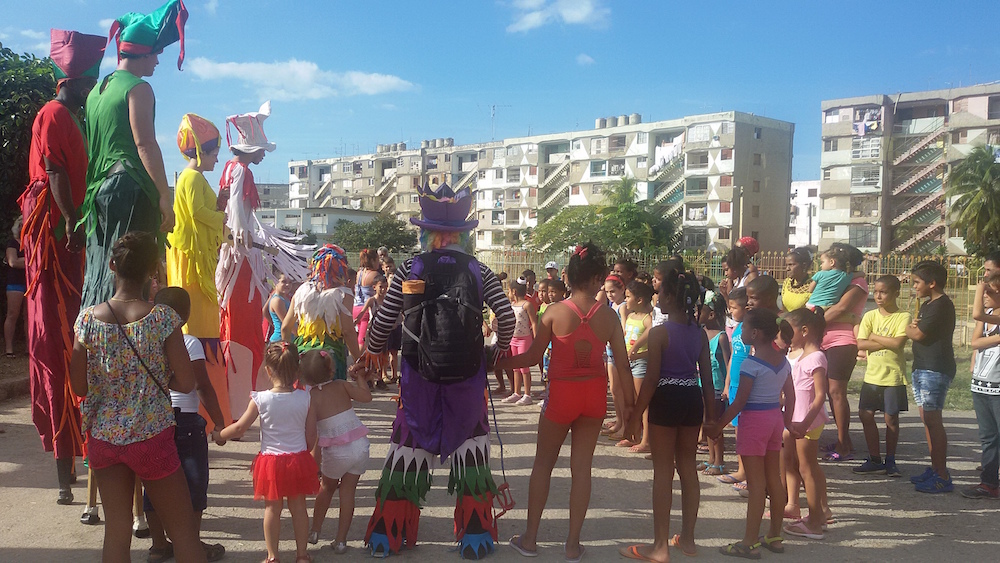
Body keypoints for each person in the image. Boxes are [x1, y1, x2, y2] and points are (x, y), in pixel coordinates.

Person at [358, 182, 515, 558]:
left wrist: (372, 352)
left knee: (407, 449)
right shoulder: (479, 270)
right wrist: (497, 351)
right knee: (472, 451)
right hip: (467, 379)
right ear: (464, 234)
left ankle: (386, 536)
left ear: (425, 232)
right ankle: (475, 537)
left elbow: (383, 322)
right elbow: (506, 318)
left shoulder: (409, 268)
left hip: (418, 377)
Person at [69, 231, 207, 562]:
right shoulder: (163, 318)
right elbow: (187, 382)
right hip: (151, 435)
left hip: (105, 437)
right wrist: (153, 376)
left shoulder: (86, 321)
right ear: (153, 270)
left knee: (116, 532)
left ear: (112, 266)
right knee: (183, 532)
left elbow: (79, 388)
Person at [502, 242, 634, 562]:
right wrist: (631, 407)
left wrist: (500, 363)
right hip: (593, 396)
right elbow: (623, 364)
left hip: (562, 394)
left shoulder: (554, 312)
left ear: (569, 278)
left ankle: (530, 539)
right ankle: (573, 544)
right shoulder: (609, 317)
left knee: (543, 465)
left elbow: (532, 357)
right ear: (598, 278)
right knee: (582, 469)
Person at [20, 28, 105, 505]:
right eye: (88, 82)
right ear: (69, 80)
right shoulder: (54, 113)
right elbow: (54, 170)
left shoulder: (77, 117)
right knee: (58, 342)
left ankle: (85, 452)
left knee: (78, 339)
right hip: (54, 242)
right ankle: (65, 464)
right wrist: (71, 220)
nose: (92, 89)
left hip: (72, 240)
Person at [81, 0, 188, 309]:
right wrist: (164, 196)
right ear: (143, 53)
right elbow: (145, 145)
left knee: (103, 266)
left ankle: (94, 328)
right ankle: (127, 333)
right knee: (132, 271)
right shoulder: (139, 88)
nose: (157, 61)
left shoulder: (97, 91)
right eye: (156, 53)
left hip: (99, 191)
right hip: (130, 186)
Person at [217, 101, 312, 421]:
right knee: (242, 328)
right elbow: (236, 215)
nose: (263, 156)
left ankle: (238, 403)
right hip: (240, 259)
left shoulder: (230, 169)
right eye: (261, 150)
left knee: (239, 326)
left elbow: (227, 209)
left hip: (238, 256)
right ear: (251, 148)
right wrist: (247, 240)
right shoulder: (241, 171)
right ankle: (241, 403)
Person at [619, 269, 715, 561]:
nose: (656, 294)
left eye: (660, 291)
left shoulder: (659, 333)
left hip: (666, 397)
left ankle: (660, 545)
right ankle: (688, 538)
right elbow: (707, 380)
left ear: (670, 297)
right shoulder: (699, 334)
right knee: (688, 467)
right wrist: (712, 418)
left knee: (663, 471)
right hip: (691, 398)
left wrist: (635, 416)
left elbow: (651, 379)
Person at [144, 287, 227, 563]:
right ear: (186, 314)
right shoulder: (188, 342)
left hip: (154, 420)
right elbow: (202, 385)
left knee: (154, 483)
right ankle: (191, 545)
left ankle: (158, 545)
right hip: (185, 420)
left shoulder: (146, 342)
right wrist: (219, 422)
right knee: (193, 482)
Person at [708, 308, 795, 559]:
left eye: (744, 328)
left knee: (756, 484)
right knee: (774, 479)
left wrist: (718, 426)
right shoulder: (783, 362)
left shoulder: (750, 364)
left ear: (755, 333)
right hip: (774, 420)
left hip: (754, 423)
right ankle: (774, 535)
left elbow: (739, 403)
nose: (741, 331)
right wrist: (788, 423)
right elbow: (790, 396)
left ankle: (748, 542)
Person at [221, 341, 319, 563]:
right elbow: (311, 434)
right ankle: (302, 555)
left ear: (268, 370)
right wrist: (305, 452)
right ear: (297, 370)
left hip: (271, 462)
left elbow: (239, 428)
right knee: (299, 508)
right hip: (298, 458)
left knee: (272, 509)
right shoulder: (306, 398)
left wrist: (219, 435)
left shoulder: (261, 399)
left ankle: (272, 556)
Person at [166, 113, 231, 423]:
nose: (217, 158)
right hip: (191, 262)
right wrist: (222, 217)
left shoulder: (194, 178)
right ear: (202, 151)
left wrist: (218, 204)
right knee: (195, 325)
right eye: (215, 152)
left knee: (202, 322)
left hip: (195, 260)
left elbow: (203, 212)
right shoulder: (191, 177)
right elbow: (196, 213)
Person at [304, 350, 373, 552]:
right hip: (359, 445)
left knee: (326, 488)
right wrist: (360, 378)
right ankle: (341, 541)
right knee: (348, 492)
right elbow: (366, 397)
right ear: (331, 370)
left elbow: (311, 432)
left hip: (336, 450)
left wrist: (308, 456)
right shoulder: (343, 385)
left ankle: (315, 531)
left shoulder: (311, 397)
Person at [906, 260, 957, 493]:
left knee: (933, 420)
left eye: (917, 282)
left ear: (932, 283)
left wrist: (906, 328)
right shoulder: (929, 304)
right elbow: (918, 329)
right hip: (922, 366)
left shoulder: (941, 305)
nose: (914, 286)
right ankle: (935, 468)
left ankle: (942, 475)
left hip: (935, 368)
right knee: (927, 419)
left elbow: (917, 333)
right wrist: (914, 328)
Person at [781, 307, 831, 541]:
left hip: (806, 421)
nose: (785, 336)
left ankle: (814, 523)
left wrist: (805, 423)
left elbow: (820, 396)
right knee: (807, 466)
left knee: (806, 469)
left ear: (804, 330)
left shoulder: (816, 357)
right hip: (799, 419)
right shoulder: (802, 356)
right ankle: (818, 515)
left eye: (788, 331)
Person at [854, 275, 910, 478]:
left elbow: (898, 344)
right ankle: (874, 458)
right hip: (872, 376)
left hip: (893, 376)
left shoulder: (903, 316)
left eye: (883, 292)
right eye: (876, 291)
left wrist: (874, 337)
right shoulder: (870, 316)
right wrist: (886, 340)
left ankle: (891, 460)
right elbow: (860, 343)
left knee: (891, 419)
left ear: (896, 293)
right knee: (865, 415)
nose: (878, 296)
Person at [281, 245, 361, 381]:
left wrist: (289, 357)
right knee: (331, 393)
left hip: (303, 356)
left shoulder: (301, 291)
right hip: (329, 358)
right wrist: (358, 360)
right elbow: (348, 331)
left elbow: (285, 328)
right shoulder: (344, 294)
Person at [821, 242, 869, 462]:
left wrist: (813, 323)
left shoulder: (858, 283)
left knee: (837, 392)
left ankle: (843, 446)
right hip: (824, 339)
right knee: (830, 392)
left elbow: (841, 308)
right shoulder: (839, 279)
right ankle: (844, 440)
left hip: (842, 341)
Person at [966, 269, 1000, 498]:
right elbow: (974, 342)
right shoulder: (988, 314)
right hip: (981, 384)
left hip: (998, 386)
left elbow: (976, 314)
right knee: (988, 437)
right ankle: (989, 483)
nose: (985, 295)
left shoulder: (986, 315)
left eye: (990, 291)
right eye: (984, 291)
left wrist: (979, 288)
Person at [717, 287, 749, 490]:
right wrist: (727, 384)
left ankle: (750, 473)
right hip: (735, 385)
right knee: (738, 430)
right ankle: (741, 469)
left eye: (734, 307)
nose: (731, 311)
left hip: (747, 386)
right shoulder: (737, 328)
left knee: (747, 431)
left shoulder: (752, 328)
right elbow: (732, 358)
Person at [622, 280, 654, 454]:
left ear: (639, 300)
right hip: (628, 362)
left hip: (641, 363)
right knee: (632, 401)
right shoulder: (630, 316)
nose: (626, 300)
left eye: (628, 297)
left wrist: (636, 349)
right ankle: (633, 435)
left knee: (643, 403)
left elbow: (651, 331)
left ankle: (646, 440)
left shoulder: (647, 318)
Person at [701, 291, 731, 475]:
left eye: (701, 311)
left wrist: (727, 386)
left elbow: (728, 364)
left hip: (717, 387)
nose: (697, 314)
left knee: (715, 423)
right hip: (702, 384)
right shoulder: (701, 333)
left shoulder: (721, 337)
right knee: (706, 422)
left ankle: (719, 461)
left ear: (711, 314)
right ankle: (711, 458)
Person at [502, 277, 537, 406]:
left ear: (514, 291)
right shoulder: (512, 305)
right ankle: (517, 392)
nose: (508, 293)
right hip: (513, 339)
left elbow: (534, 323)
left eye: (509, 291)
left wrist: (536, 339)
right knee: (515, 367)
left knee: (524, 367)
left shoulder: (527, 305)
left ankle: (527, 394)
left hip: (524, 339)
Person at [602, 274, 628, 440]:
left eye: (613, 291)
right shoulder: (612, 305)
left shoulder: (623, 307)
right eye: (607, 292)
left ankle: (625, 425)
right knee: (614, 389)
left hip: (618, 350)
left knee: (621, 390)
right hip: (610, 350)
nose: (610, 294)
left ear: (622, 289)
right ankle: (619, 421)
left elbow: (624, 328)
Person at [5, 217, 26, 358]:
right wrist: (29, 261)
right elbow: (13, 262)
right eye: (21, 225)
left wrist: (22, 261)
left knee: (29, 316)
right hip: (15, 283)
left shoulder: (32, 244)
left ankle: (29, 348)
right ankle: (9, 349)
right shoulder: (12, 243)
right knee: (12, 314)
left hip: (30, 284)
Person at [353, 249, 381, 349]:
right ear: (373, 260)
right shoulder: (375, 274)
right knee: (363, 340)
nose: (379, 263)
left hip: (356, 307)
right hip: (367, 309)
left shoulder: (359, 272)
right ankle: (358, 358)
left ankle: (359, 357)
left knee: (359, 338)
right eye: (377, 260)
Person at [782, 247, 813, 312]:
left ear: (804, 265)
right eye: (787, 265)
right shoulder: (787, 282)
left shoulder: (812, 286)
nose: (787, 269)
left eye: (791, 265)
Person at [266, 274, 293, 344]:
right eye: (284, 281)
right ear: (275, 283)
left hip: (289, 339)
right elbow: (287, 324)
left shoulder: (285, 298)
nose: (288, 285)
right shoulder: (277, 300)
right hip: (280, 341)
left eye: (290, 282)